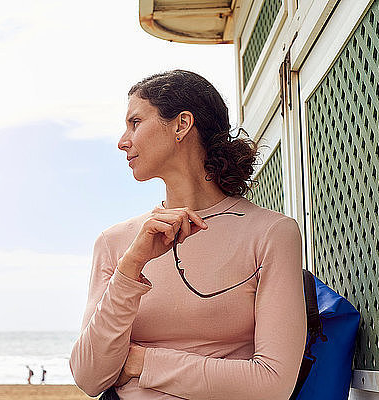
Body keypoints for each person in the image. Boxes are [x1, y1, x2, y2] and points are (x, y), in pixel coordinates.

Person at [69, 70, 307, 400]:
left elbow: (273, 383)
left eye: (135, 123)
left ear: (181, 124)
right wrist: (131, 266)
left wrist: (142, 363)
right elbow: (89, 377)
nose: (123, 141)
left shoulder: (270, 233)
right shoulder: (116, 243)